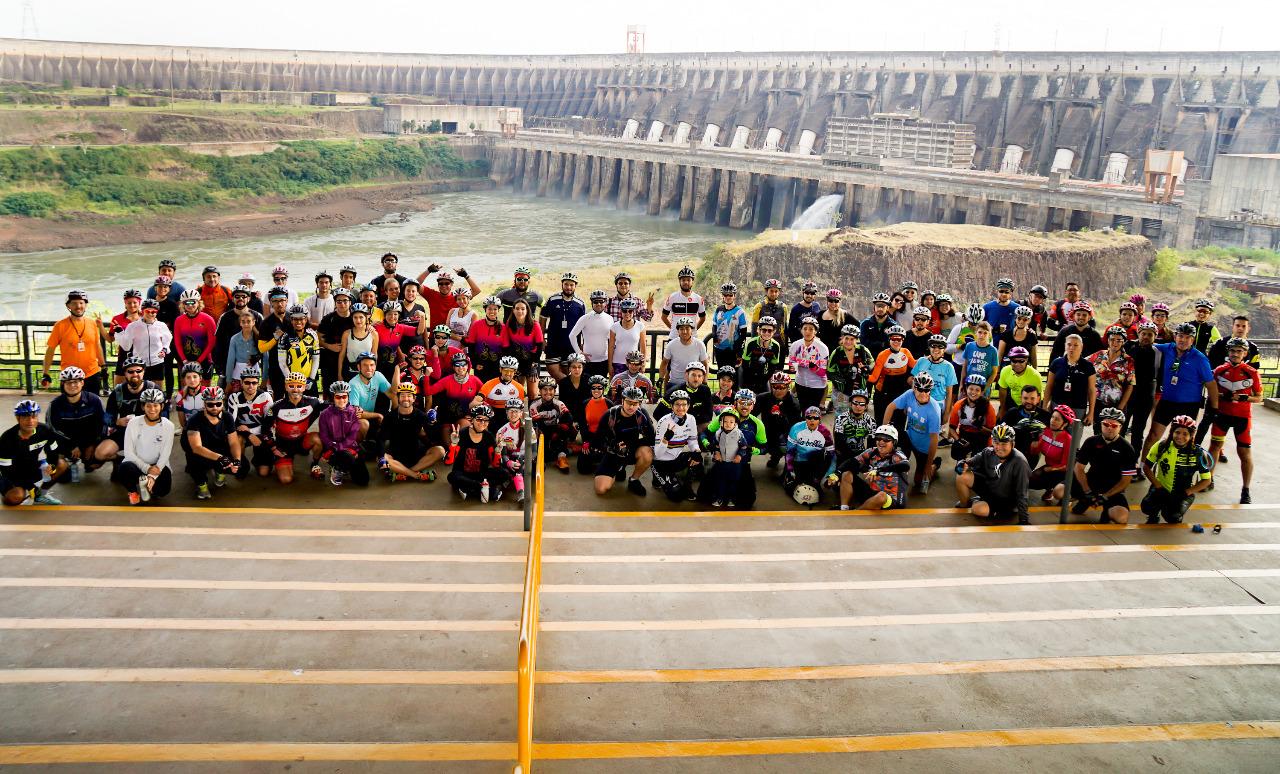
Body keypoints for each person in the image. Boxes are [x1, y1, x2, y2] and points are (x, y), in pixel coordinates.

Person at [1142, 322, 1218, 461]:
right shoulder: (1166, 349)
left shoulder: (1200, 358)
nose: (1183, 340)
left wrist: (1214, 408)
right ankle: (1142, 467)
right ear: (1175, 336)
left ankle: (1181, 471)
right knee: (1153, 435)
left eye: (1188, 337)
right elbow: (1145, 346)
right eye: (1180, 336)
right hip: (1166, 402)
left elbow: (1211, 384)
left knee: (1184, 441)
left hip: (1189, 405)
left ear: (1193, 340)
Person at [1208, 337, 1262, 503]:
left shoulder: (1252, 372)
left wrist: (1244, 398)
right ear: (1228, 352)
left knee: (1244, 453)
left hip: (1242, 418)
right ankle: (1208, 479)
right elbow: (1211, 393)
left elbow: (1259, 397)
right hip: (1222, 415)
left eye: (1239, 351)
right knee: (1215, 447)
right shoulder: (1218, 370)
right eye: (1232, 351)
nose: (1235, 354)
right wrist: (1223, 396)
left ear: (1245, 353)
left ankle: (1246, 490)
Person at [1069, 407, 1138, 523]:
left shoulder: (1127, 449)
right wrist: (1087, 491)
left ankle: (1106, 511)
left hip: (1113, 487)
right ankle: (1084, 500)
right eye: (1106, 424)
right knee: (1059, 491)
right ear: (1100, 425)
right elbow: (1079, 468)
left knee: (1121, 518)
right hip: (1091, 482)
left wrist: (1105, 496)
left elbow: (1126, 480)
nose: (1109, 428)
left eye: (1114, 426)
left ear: (1121, 427)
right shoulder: (1091, 442)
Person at [1200, 315, 1259, 449]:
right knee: (1206, 421)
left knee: (1226, 428)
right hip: (1218, 392)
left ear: (1248, 329)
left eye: (1243, 326)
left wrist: (1248, 395)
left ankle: (1219, 451)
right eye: (1237, 325)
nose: (1240, 328)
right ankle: (1194, 448)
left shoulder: (1253, 348)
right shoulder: (1220, 344)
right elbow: (1209, 368)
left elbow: (1254, 372)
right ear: (1232, 326)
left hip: (1239, 398)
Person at [1141, 415, 1212, 524]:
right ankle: (1154, 513)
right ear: (1172, 432)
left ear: (1191, 435)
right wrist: (1158, 486)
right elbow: (1146, 467)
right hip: (1161, 488)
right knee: (1147, 507)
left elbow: (1207, 480)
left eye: (1185, 434)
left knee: (1172, 518)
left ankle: (1176, 508)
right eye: (1177, 432)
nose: (1180, 437)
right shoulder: (1161, 446)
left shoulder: (1198, 453)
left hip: (1182, 492)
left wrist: (1188, 492)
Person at [954, 423, 1031, 524]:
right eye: (996, 442)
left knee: (978, 510)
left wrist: (1024, 519)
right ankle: (965, 504)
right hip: (990, 488)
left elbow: (1022, 492)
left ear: (1013, 444)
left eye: (1004, 443)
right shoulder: (988, 452)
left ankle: (976, 501)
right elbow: (970, 461)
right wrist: (962, 464)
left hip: (1006, 499)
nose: (999, 447)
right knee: (961, 476)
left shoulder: (1020, 462)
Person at [96, 357, 162, 465]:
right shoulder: (118, 392)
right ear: (125, 374)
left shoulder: (154, 389)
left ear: (143, 372)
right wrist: (117, 422)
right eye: (130, 371)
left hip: (148, 433)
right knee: (100, 453)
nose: (135, 374)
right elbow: (107, 418)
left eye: (138, 371)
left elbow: (164, 417)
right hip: (124, 432)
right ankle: (120, 460)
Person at [0, 400, 67, 506]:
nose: (30, 421)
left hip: (31, 467)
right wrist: (30, 486)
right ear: (18, 418)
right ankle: (10, 493)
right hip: (11, 473)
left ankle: (41, 495)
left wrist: (52, 466)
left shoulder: (45, 430)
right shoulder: (7, 438)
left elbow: (53, 452)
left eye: (34, 416)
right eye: (25, 417)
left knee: (61, 464)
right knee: (14, 498)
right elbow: (6, 470)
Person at [884, 372, 941, 494]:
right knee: (898, 464)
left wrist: (929, 464)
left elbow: (934, 440)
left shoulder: (934, 411)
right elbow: (890, 407)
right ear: (914, 388)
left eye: (927, 390)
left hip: (924, 447)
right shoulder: (909, 394)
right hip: (909, 438)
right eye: (920, 389)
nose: (923, 393)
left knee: (918, 481)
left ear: (931, 390)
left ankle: (935, 465)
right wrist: (885, 431)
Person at [183, 386, 244, 500]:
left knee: (243, 467)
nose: (215, 407)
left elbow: (234, 442)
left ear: (222, 403)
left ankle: (219, 472)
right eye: (210, 404)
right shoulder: (194, 419)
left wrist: (237, 460)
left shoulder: (227, 417)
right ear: (204, 404)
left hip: (217, 447)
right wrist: (220, 458)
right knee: (194, 461)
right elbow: (196, 447)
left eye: (218, 404)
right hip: (200, 451)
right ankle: (202, 484)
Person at [42, 289, 107, 396]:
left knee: (92, 407)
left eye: (81, 303)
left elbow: (97, 345)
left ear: (85, 305)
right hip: (69, 376)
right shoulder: (60, 325)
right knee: (69, 408)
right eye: (74, 303)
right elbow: (50, 350)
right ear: (68, 306)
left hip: (91, 373)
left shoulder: (92, 323)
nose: (78, 306)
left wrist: (103, 366)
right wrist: (45, 373)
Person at [378, 382, 445, 483]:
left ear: (414, 399)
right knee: (381, 460)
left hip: (416, 454)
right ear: (398, 397)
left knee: (440, 451)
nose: (406, 399)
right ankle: (415, 475)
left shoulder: (421, 415)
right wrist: (382, 456)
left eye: (409, 396)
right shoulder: (390, 417)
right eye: (403, 395)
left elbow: (433, 437)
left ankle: (402, 473)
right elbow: (381, 438)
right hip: (396, 455)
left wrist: (432, 423)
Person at [593, 386, 655, 496]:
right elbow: (597, 440)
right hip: (613, 453)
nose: (631, 406)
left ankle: (634, 480)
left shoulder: (642, 414)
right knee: (601, 489)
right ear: (622, 400)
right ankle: (618, 469)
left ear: (639, 404)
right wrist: (612, 446)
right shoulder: (610, 415)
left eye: (635, 403)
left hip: (631, 450)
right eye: (628, 402)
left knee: (647, 453)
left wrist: (630, 445)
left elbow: (651, 438)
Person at [115, 388, 173, 505]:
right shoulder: (133, 423)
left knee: (162, 492)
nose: (152, 409)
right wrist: (147, 469)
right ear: (143, 407)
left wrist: (152, 475)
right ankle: (133, 492)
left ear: (161, 406)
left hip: (157, 466)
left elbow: (165, 453)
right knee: (123, 468)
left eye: (156, 405)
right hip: (137, 464)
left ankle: (146, 484)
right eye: (148, 406)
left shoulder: (168, 425)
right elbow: (129, 452)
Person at [47, 366, 105, 481]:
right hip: (66, 443)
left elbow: (102, 425)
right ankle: (67, 464)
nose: (72, 385)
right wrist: (73, 446)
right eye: (68, 382)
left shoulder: (94, 400)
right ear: (62, 384)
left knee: (95, 463)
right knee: (63, 477)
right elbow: (53, 429)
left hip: (88, 440)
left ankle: (87, 461)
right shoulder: (55, 405)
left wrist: (91, 444)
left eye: (76, 381)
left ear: (82, 383)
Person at [265, 371, 324, 484]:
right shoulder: (276, 406)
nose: (295, 389)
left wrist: (352, 408)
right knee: (286, 480)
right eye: (291, 386)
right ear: (286, 387)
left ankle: (315, 465)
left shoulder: (313, 402)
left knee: (317, 439)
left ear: (304, 387)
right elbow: (265, 429)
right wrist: (273, 448)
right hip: (283, 446)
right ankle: (282, 461)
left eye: (299, 386)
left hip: (301, 441)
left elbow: (332, 404)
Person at [836, 424, 910, 511]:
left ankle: (856, 513)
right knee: (846, 474)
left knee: (881, 496)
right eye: (878, 438)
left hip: (891, 500)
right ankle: (844, 508)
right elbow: (852, 461)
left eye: (886, 439)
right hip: (873, 493)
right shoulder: (872, 452)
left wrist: (878, 470)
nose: (881, 442)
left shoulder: (898, 456)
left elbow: (906, 466)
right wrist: (836, 473)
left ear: (894, 442)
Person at [424, 352, 484, 451]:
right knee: (449, 447)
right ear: (453, 367)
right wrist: (427, 376)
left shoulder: (475, 380)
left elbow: (485, 394)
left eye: (463, 364)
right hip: (448, 417)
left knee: (465, 429)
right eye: (457, 365)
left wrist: (478, 408)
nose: (461, 368)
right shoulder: (447, 380)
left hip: (465, 417)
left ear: (467, 365)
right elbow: (428, 391)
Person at [650, 389, 703, 502]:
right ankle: (658, 477)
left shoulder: (691, 419)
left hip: (676, 458)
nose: (681, 408)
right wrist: (665, 439)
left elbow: (692, 440)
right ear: (671, 406)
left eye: (684, 404)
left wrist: (696, 452)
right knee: (676, 498)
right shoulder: (664, 421)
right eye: (677, 404)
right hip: (661, 462)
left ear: (688, 406)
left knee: (698, 460)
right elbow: (658, 454)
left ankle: (687, 487)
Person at [317, 381, 369, 487]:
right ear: (333, 398)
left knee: (363, 481)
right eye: (338, 397)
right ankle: (337, 468)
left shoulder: (353, 412)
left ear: (348, 397)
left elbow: (353, 436)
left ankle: (346, 466)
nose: (342, 400)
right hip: (332, 449)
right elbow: (324, 436)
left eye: (344, 396)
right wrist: (333, 448)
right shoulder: (325, 415)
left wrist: (339, 447)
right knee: (346, 456)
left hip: (347, 447)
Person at [227, 366, 273, 478]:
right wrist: (248, 434)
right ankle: (240, 464)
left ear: (258, 383)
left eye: (254, 382)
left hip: (262, 431)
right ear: (241, 382)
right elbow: (231, 423)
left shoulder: (265, 396)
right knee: (237, 439)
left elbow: (269, 422)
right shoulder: (234, 397)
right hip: (242, 432)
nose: (251, 386)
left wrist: (251, 432)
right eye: (247, 382)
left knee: (263, 473)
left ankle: (257, 459)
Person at [448, 404, 501, 501]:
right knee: (452, 476)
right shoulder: (462, 434)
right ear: (472, 420)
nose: (482, 423)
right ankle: (484, 489)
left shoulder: (489, 437)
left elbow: (495, 465)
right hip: (463, 474)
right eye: (479, 419)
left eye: (486, 420)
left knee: (504, 473)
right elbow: (448, 462)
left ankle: (472, 490)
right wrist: (453, 444)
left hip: (481, 474)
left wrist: (498, 452)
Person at [783, 406, 835, 503]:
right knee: (792, 488)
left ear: (820, 419)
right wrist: (790, 469)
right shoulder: (796, 428)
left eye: (815, 418)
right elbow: (790, 452)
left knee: (820, 454)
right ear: (805, 418)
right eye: (809, 417)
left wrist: (830, 474)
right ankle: (793, 478)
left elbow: (831, 454)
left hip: (814, 462)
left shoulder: (825, 432)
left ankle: (816, 481)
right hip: (798, 461)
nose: (812, 420)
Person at [1088, 326, 1135, 434]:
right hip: (1098, 403)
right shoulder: (1099, 355)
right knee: (1098, 433)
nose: (1115, 343)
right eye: (1112, 339)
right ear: (1108, 340)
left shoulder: (1128, 360)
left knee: (1115, 435)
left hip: (1117, 405)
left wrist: (1120, 408)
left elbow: (1130, 386)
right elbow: (1083, 363)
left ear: (1123, 342)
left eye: (1119, 340)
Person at [541, 272, 586, 381]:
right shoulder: (552, 299)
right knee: (552, 370)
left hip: (571, 345)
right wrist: (542, 339)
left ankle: (564, 396)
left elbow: (584, 326)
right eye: (566, 284)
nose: (569, 287)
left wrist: (582, 344)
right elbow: (542, 318)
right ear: (562, 284)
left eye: (571, 285)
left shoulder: (580, 303)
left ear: (575, 286)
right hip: (553, 343)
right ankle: (569, 386)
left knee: (566, 371)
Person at [1045, 334, 1097, 428]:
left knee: (1074, 440)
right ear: (1065, 346)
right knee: (1055, 438)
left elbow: (1092, 390)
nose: (1072, 348)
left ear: (1081, 347)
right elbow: (1049, 385)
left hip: (1077, 408)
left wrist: (1091, 412)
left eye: (1076, 345)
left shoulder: (1088, 366)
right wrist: (1045, 406)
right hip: (1057, 406)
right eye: (1069, 345)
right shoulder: (1057, 363)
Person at [214, 286, 263, 385]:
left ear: (248, 299)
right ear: (232, 299)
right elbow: (218, 343)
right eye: (237, 296)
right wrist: (219, 366)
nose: (240, 299)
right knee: (227, 394)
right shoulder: (225, 317)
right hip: (228, 363)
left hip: (250, 363)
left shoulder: (257, 317)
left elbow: (264, 341)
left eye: (243, 296)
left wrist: (258, 356)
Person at [869, 325, 915, 426]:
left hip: (900, 390)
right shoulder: (882, 355)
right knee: (881, 421)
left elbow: (916, 365)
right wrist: (863, 374)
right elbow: (873, 378)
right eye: (893, 338)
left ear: (903, 340)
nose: (896, 341)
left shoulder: (906, 352)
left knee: (899, 421)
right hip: (884, 391)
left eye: (899, 339)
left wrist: (927, 359)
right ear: (889, 339)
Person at [270, 306, 321, 396]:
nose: (298, 322)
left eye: (302, 318)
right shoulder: (284, 337)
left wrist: (312, 379)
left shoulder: (313, 335)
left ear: (306, 319)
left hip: (309, 379)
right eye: (295, 319)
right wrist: (291, 381)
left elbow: (316, 359)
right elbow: (282, 362)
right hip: (292, 382)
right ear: (291, 319)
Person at [703, 409, 750, 508]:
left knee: (733, 481)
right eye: (725, 421)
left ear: (735, 423)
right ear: (721, 422)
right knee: (720, 480)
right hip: (722, 462)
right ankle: (720, 497)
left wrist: (739, 456)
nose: (728, 424)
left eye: (731, 422)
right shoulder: (718, 433)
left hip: (734, 464)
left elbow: (744, 447)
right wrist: (717, 453)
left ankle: (731, 498)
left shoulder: (739, 434)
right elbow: (715, 445)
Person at [754, 371, 802, 468]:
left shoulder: (794, 403)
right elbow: (751, 414)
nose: (777, 390)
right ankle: (774, 456)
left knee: (787, 443)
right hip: (766, 431)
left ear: (787, 387)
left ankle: (787, 467)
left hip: (785, 434)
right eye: (775, 387)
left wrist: (781, 415)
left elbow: (795, 427)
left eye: (781, 387)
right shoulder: (762, 398)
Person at [945, 374, 997, 462]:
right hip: (965, 434)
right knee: (957, 450)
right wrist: (959, 440)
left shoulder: (988, 407)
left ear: (982, 392)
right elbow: (951, 427)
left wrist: (980, 427)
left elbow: (993, 432)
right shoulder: (958, 405)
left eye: (977, 390)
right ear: (966, 389)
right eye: (971, 389)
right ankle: (961, 462)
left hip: (981, 437)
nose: (973, 392)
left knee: (979, 460)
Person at [1027, 404, 1074, 503]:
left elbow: (1066, 466)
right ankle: (1050, 488)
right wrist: (1033, 445)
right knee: (1029, 481)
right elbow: (1034, 452)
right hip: (1049, 467)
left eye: (1057, 419)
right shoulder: (1046, 432)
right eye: (1052, 417)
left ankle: (1068, 495)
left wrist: (1049, 469)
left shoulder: (1068, 439)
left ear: (1065, 424)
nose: (1052, 421)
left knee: (1060, 499)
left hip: (1064, 472)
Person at [529, 377, 577, 473]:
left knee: (568, 427)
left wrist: (563, 427)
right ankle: (570, 450)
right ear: (540, 391)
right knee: (547, 455)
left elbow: (569, 417)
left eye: (550, 389)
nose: (548, 392)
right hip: (540, 431)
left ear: (555, 391)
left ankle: (562, 457)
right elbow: (539, 424)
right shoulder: (534, 405)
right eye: (544, 389)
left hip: (555, 429)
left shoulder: (558, 403)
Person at [911, 334, 959, 424]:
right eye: (933, 346)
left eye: (940, 347)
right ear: (929, 347)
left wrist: (946, 414)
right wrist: (910, 403)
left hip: (938, 404)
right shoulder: (921, 361)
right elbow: (914, 385)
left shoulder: (949, 367)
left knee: (933, 434)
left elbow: (949, 393)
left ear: (944, 350)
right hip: (919, 402)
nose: (936, 349)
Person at [417, 264, 482, 329]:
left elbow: (477, 291)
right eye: (441, 283)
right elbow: (416, 283)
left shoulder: (457, 297)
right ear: (438, 285)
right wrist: (428, 271)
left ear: (451, 284)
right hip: (435, 336)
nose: (444, 286)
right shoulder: (432, 295)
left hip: (454, 336)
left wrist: (466, 276)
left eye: (447, 283)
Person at [348, 352, 394, 441]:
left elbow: (392, 394)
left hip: (370, 416)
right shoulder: (353, 384)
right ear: (359, 367)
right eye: (365, 365)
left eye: (372, 365)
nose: (369, 368)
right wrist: (378, 415)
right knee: (364, 424)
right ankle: (358, 447)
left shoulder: (378, 376)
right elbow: (356, 414)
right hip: (354, 419)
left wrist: (396, 413)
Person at [504, 298, 545, 397]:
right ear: (513, 310)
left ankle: (533, 413)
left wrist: (534, 366)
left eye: (523, 309)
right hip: (517, 363)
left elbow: (540, 346)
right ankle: (518, 413)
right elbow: (506, 347)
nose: (520, 311)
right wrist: (512, 365)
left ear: (527, 310)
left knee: (533, 394)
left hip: (532, 363)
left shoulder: (535, 325)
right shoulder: (509, 325)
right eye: (517, 308)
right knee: (517, 393)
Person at [569, 290, 614, 379]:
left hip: (604, 361)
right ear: (591, 302)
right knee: (587, 389)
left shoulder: (610, 318)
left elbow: (611, 340)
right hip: (588, 362)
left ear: (605, 303)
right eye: (595, 302)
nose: (598, 304)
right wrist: (579, 353)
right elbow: (572, 335)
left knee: (600, 388)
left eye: (601, 301)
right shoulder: (585, 318)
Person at [256, 288, 293, 394]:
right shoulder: (266, 323)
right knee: (279, 396)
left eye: (282, 300)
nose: (279, 304)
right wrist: (275, 338)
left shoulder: (294, 319)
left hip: (294, 363)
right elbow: (261, 348)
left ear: (286, 301)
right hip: (275, 365)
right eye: (275, 301)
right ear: (271, 303)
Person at [789, 316, 829, 412]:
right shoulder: (795, 345)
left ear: (815, 331)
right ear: (801, 330)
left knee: (813, 412)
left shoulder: (822, 348)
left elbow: (823, 372)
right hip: (800, 383)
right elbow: (792, 363)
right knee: (803, 411)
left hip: (817, 385)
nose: (807, 331)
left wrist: (813, 367)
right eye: (805, 329)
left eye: (811, 329)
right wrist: (793, 367)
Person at [373, 302, 422, 382]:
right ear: (385, 315)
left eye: (395, 314)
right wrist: (369, 324)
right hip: (378, 365)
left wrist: (422, 317)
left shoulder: (401, 327)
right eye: (389, 314)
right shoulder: (377, 327)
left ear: (398, 315)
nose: (392, 317)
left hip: (393, 365)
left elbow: (419, 331)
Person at [318, 288, 354, 391]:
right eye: (339, 301)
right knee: (329, 388)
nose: (342, 304)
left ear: (350, 302)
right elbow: (318, 338)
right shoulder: (328, 319)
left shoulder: (355, 318)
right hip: (330, 359)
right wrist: (329, 346)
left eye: (345, 301)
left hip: (349, 359)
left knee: (348, 389)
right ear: (335, 303)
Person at [1004, 384, 1053, 462]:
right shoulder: (1012, 413)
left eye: (1032, 398)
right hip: (1014, 453)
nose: (1029, 401)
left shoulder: (1046, 416)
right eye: (1025, 398)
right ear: (1021, 398)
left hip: (1036, 455)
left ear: (1038, 399)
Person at [467, 295, 509, 383]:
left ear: (498, 310)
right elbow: (471, 346)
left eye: (495, 309)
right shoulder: (476, 325)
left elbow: (506, 350)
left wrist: (502, 366)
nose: (492, 311)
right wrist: (474, 363)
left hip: (496, 366)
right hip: (480, 364)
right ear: (485, 309)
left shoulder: (503, 328)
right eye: (489, 308)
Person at [577, 375, 613, 474]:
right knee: (582, 469)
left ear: (604, 389)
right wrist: (585, 441)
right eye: (593, 388)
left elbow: (612, 427)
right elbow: (583, 425)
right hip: (591, 437)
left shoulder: (609, 404)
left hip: (605, 438)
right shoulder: (585, 403)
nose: (596, 390)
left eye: (599, 388)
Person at [493, 398, 528, 502]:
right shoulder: (501, 431)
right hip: (510, 459)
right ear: (506, 413)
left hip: (526, 459)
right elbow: (502, 453)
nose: (513, 414)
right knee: (503, 470)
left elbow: (534, 450)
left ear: (521, 413)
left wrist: (526, 460)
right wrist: (508, 462)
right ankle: (521, 492)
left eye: (516, 411)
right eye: (510, 411)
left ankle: (511, 483)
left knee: (522, 466)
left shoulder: (528, 428)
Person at [739, 315, 785, 393]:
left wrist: (764, 379)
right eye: (764, 330)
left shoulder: (776, 346)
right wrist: (749, 381)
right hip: (747, 373)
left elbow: (772, 367)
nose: (766, 333)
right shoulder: (751, 343)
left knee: (764, 397)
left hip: (763, 375)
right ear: (758, 330)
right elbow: (745, 365)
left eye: (770, 331)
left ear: (774, 331)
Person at [660, 317, 709, 390]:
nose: (684, 331)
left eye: (687, 328)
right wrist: (661, 378)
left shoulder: (699, 344)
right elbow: (664, 363)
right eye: (681, 329)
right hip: (675, 383)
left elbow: (705, 364)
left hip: (693, 384)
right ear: (678, 331)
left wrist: (704, 381)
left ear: (691, 330)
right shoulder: (671, 345)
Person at [106, 288, 143, 385]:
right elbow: (110, 339)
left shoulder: (145, 316)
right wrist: (100, 326)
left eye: (135, 302)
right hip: (123, 354)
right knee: (119, 385)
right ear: (125, 303)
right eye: (129, 303)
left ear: (139, 303)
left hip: (142, 353)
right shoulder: (117, 318)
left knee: (140, 383)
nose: (132, 305)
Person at [711, 282, 749, 369]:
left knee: (732, 376)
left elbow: (743, 334)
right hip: (719, 348)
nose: (728, 297)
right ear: (723, 296)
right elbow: (714, 326)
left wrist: (738, 350)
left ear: (734, 296)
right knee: (721, 374)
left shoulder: (740, 312)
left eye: (730, 295)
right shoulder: (719, 309)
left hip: (733, 349)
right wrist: (714, 338)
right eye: (725, 295)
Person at [337, 302, 377, 382]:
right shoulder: (347, 334)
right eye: (355, 317)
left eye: (361, 317)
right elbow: (342, 355)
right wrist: (339, 374)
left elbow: (375, 354)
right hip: (350, 372)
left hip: (367, 372)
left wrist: (374, 373)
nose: (358, 320)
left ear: (366, 317)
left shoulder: (373, 334)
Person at [660, 265, 705, 336]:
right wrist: (673, 329)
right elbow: (663, 317)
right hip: (674, 337)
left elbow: (702, 318)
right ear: (679, 281)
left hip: (692, 337)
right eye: (683, 280)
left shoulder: (698, 299)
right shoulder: (672, 297)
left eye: (688, 280)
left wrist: (693, 330)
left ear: (692, 281)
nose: (686, 282)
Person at [995, 346, 1043, 411]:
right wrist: (1002, 409)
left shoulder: (1035, 376)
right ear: (1010, 361)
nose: (1017, 364)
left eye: (1021, 361)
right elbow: (1002, 391)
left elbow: (1038, 398)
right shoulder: (1005, 371)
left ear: (1026, 361)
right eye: (1014, 361)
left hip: (1030, 403)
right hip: (1013, 401)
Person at [945, 303, 985, 379]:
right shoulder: (959, 328)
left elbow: (990, 350)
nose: (973, 326)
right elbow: (946, 348)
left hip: (976, 368)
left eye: (976, 324)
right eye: (971, 323)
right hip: (958, 365)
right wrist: (959, 346)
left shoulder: (986, 331)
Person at [959, 321, 999, 393]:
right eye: (980, 332)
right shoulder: (969, 346)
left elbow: (994, 372)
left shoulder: (993, 350)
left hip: (984, 386)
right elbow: (964, 366)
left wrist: (986, 387)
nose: (982, 335)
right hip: (969, 384)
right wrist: (962, 383)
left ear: (989, 335)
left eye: (985, 333)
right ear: (976, 333)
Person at [558, 354, 592, 434]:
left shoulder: (589, 380)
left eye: (579, 367)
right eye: (573, 367)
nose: (577, 369)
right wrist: (571, 421)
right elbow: (563, 404)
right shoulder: (563, 383)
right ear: (569, 368)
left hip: (586, 417)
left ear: (583, 367)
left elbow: (591, 403)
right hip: (569, 417)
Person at [749, 278, 788, 347]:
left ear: (779, 292)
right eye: (771, 291)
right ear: (766, 291)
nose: (774, 294)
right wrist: (753, 346)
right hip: (762, 344)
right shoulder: (759, 307)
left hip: (779, 344)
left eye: (776, 291)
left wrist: (786, 345)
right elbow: (754, 329)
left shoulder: (783, 307)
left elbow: (785, 328)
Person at [817, 288, 857, 353]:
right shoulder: (820, 314)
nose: (833, 303)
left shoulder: (844, 315)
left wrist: (846, 340)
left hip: (838, 351)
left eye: (836, 301)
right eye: (831, 300)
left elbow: (858, 327)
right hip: (822, 350)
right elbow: (815, 330)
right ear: (827, 301)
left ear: (839, 302)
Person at [171, 362, 207, 430]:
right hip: (189, 428)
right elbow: (183, 423)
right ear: (184, 380)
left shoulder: (207, 393)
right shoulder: (180, 395)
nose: (192, 380)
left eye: (195, 376)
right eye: (188, 377)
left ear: (200, 378)